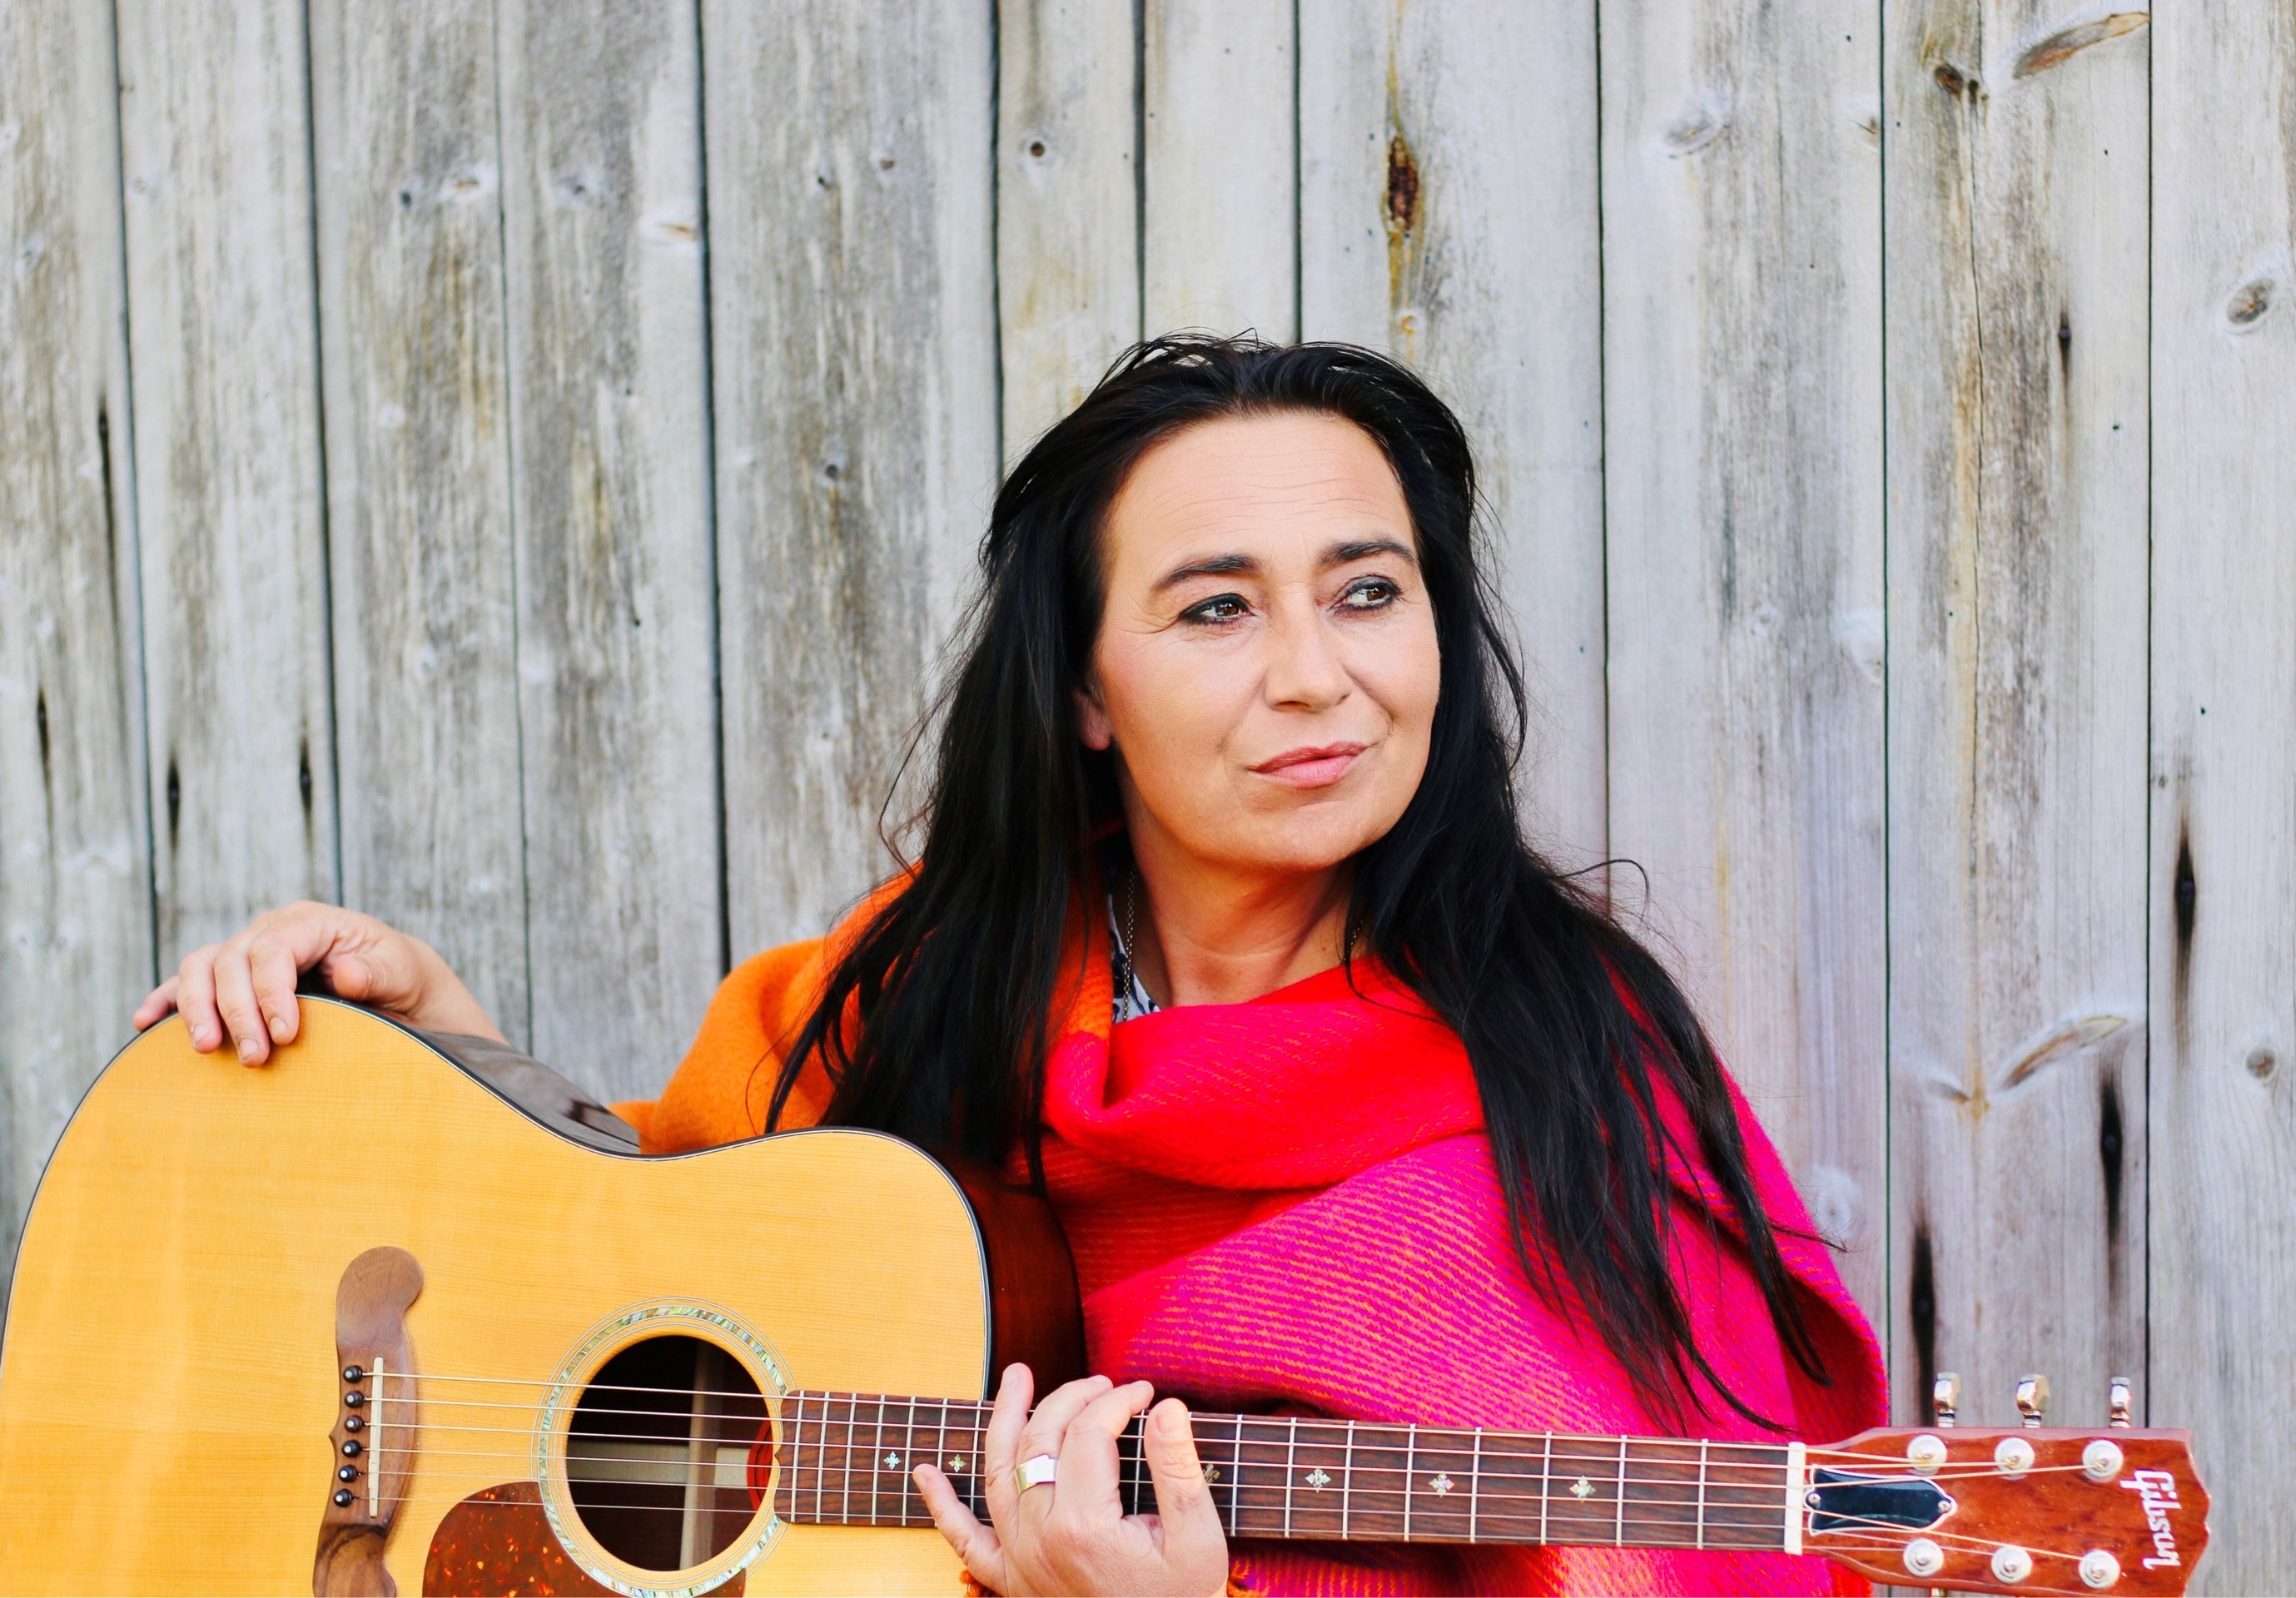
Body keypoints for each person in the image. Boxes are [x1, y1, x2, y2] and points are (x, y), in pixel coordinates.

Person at [138, 336, 1883, 1596]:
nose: (1315, 674)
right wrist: (443, 1065)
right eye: (1217, 608)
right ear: (1084, 695)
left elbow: (1694, 1550)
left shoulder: (1578, 1062)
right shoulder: (932, 978)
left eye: (1368, 591)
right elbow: (645, 1261)